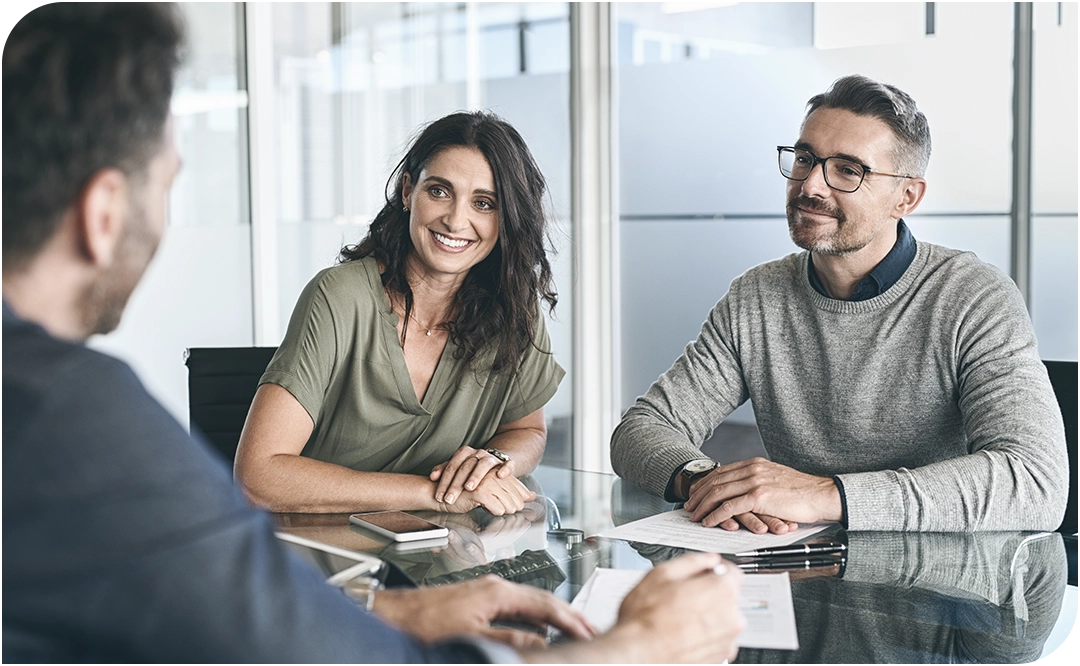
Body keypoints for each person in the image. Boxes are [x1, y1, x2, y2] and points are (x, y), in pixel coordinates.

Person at [0, 3, 748, 663]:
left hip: (396, 580)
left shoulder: (47, 411)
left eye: (484, 204)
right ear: (104, 212)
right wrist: (639, 647)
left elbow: (192, 608)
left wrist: (400, 602)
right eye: (168, 185)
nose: (458, 219)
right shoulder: (71, 418)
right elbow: (284, 621)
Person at [610, 74, 1068, 534]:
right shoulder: (756, 297)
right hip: (796, 574)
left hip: (941, 587)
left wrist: (826, 494)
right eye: (805, 158)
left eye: (848, 170)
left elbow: (1033, 481)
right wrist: (707, 482)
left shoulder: (972, 297)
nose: (810, 186)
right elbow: (641, 430)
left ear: (906, 197)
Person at [234, 111, 563, 517]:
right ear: (408, 191)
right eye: (439, 191)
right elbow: (258, 476)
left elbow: (526, 429)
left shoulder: (515, 308)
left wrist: (493, 461)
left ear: (506, 218)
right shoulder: (339, 297)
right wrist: (434, 495)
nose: (456, 220)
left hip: (443, 559)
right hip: (318, 556)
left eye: (484, 203)